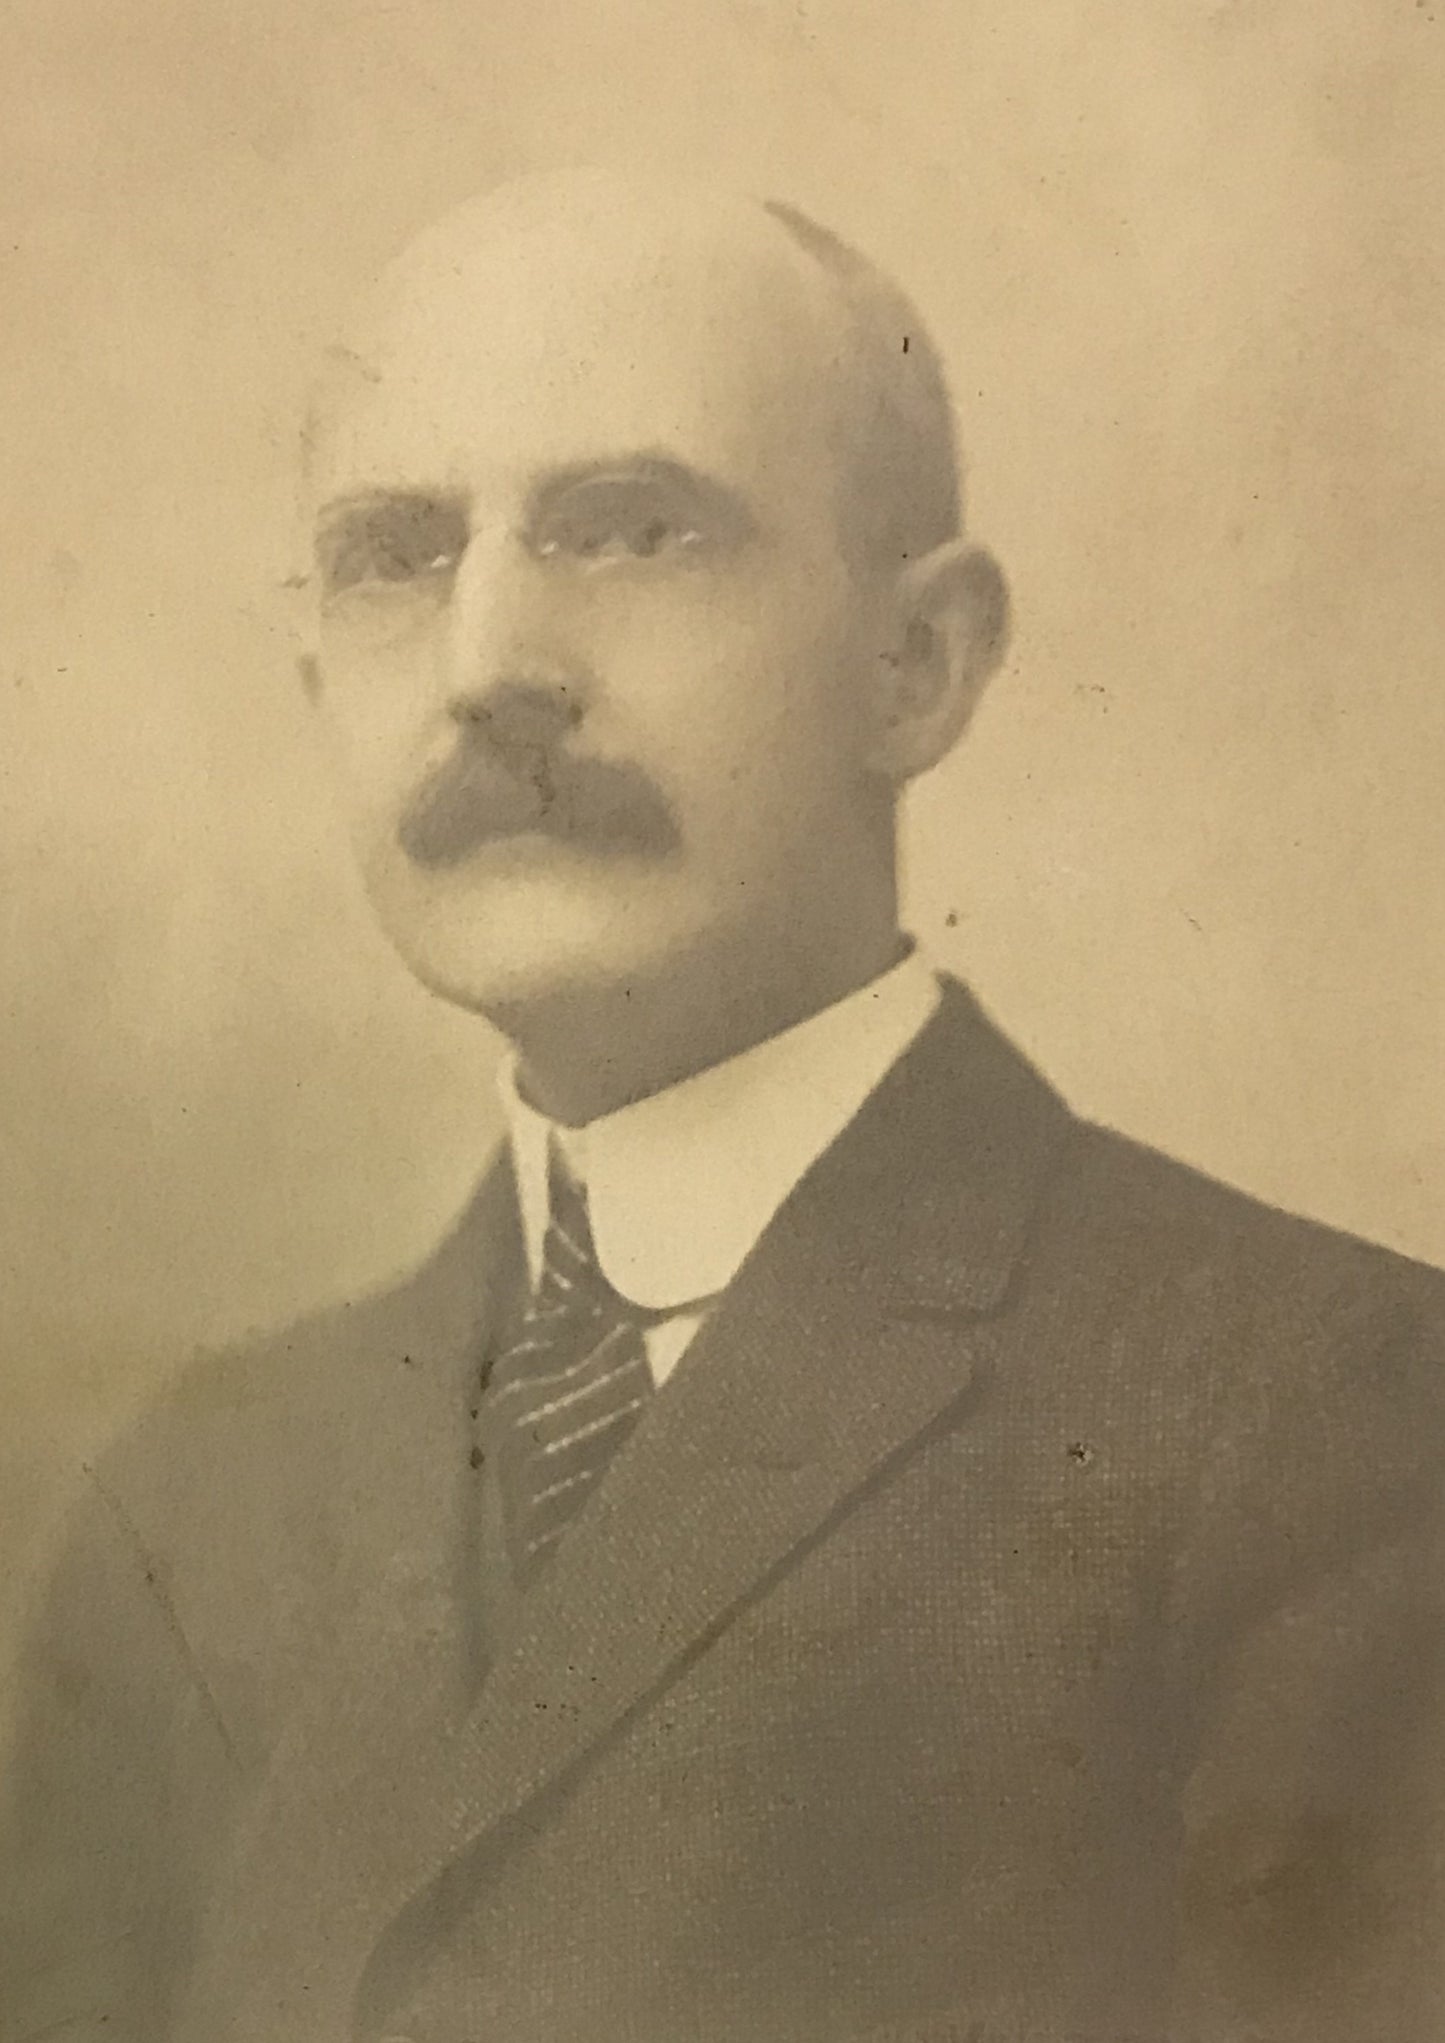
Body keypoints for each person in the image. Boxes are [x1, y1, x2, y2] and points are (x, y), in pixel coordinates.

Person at [3, 168, 1442, 2043]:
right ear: (313, 683)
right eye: (395, 554)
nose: (488, 667)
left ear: (913, 665)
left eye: (630, 530)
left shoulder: (1329, 1431)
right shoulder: (192, 1498)